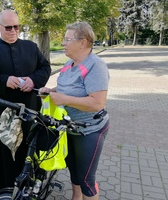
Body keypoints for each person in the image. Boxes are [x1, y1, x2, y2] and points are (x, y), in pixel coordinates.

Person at [0, 10, 51, 190]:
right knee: (4, 148)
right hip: (1, 111)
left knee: (28, 146)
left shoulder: (31, 47)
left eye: (17, 27)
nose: (13, 31)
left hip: (30, 108)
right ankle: (4, 185)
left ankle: (29, 182)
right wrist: (4, 79)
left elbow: (45, 67)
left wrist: (33, 80)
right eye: (8, 28)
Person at [39, 22, 110, 200]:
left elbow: (97, 103)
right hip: (70, 126)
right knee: (74, 172)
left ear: (83, 42)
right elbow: (66, 88)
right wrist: (51, 91)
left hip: (90, 129)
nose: (63, 43)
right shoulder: (70, 64)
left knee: (86, 179)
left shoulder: (96, 66)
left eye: (67, 39)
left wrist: (64, 100)